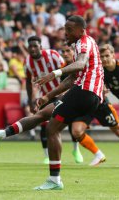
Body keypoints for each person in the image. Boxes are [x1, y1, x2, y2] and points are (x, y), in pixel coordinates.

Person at [0, 16, 104, 190]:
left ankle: (55, 180)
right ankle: (1, 135)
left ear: (81, 30)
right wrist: (47, 96)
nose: (66, 33)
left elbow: (79, 65)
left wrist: (55, 73)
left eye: (69, 29)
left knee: (52, 128)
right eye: (65, 29)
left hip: (85, 92)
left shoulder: (83, 43)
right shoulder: (85, 43)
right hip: (83, 92)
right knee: (41, 114)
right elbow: (72, 78)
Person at [23, 36, 83, 164]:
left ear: (41, 47)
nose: (33, 49)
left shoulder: (53, 55)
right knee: (44, 125)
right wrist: (30, 100)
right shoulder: (27, 62)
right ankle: (46, 155)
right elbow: (28, 82)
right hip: (46, 96)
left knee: (71, 121)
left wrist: (68, 91)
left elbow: (67, 70)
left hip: (63, 93)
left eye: (35, 46)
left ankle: (76, 149)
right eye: (30, 46)